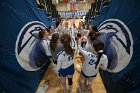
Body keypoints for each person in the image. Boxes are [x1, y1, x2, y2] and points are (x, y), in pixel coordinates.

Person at [54, 25, 77, 93]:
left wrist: (56, 71)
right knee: (70, 79)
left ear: (61, 42)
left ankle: (64, 89)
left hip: (63, 69)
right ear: (70, 41)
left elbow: (58, 67)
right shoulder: (74, 48)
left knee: (63, 81)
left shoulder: (60, 55)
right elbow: (73, 37)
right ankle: (70, 89)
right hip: (71, 67)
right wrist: (72, 28)